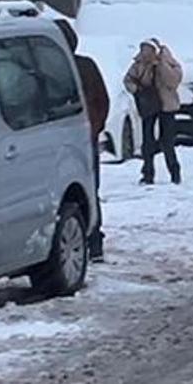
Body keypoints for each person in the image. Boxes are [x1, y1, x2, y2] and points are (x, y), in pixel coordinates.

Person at [56, 21, 109, 262]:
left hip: (78, 139)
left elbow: (101, 101)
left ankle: (92, 240)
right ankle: (91, 240)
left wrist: (93, 128)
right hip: (78, 139)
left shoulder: (76, 67)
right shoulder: (81, 66)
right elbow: (102, 100)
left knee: (82, 190)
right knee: (87, 189)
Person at [124, 40, 184, 185]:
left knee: (168, 141)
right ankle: (148, 173)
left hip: (167, 106)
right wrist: (137, 90)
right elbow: (128, 80)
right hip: (149, 106)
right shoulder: (138, 64)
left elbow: (173, 81)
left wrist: (160, 65)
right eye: (143, 50)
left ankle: (174, 172)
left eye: (149, 50)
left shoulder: (169, 63)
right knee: (147, 141)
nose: (146, 54)